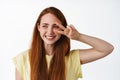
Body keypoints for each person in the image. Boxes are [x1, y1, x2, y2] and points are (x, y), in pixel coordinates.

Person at [13, 6, 114, 80]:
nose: (50, 31)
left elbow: (107, 48)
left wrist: (78, 36)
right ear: (38, 27)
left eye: (56, 26)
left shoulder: (72, 58)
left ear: (64, 28)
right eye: (45, 26)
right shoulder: (23, 59)